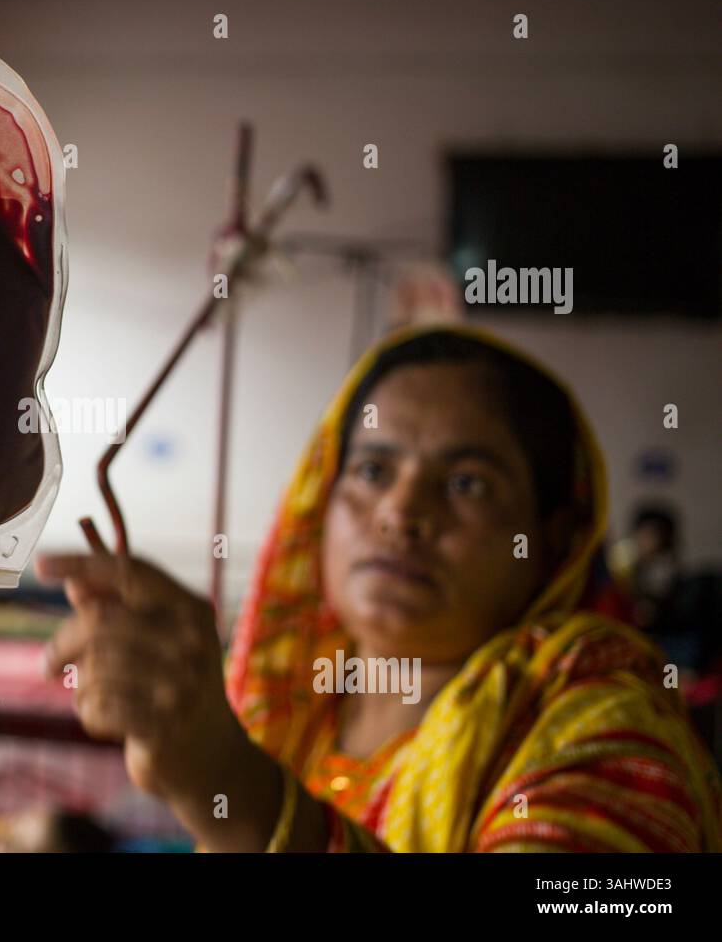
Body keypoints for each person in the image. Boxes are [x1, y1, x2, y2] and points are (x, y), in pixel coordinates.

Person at [37, 325, 722, 852]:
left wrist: (234, 787)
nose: (401, 512)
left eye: (468, 484)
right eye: (371, 470)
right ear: (320, 499)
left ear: (556, 538)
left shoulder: (602, 723)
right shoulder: (294, 708)